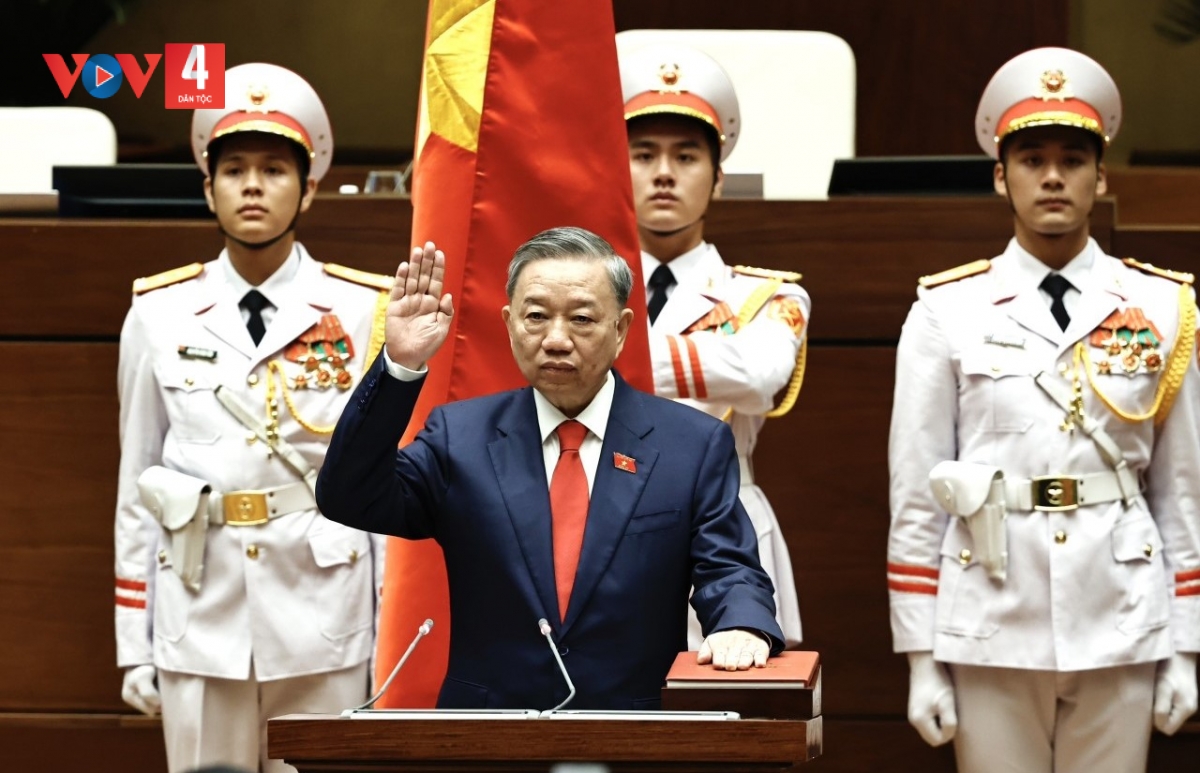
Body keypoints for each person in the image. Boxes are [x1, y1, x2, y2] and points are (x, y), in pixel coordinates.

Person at [887, 47, 1200, 773]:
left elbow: (1182, 489)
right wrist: (920, 657)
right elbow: (917, 493)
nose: (1053, 176)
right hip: (991, 610)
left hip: (1121, 609)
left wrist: (1186, 647)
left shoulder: (1162, 306)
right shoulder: (946, 310)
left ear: (1101, 176)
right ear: (1001, 176)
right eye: (1032, 159)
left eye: (1073, 159)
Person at [316, 227, 785, 710]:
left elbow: (729, 567)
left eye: (581, 319)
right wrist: (400, 365)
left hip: (633, 726)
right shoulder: (461, 437)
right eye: (536, 317)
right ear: (509, 323)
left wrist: (741, 625)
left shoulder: (690, 444)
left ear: (621, 329)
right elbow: (350, 496)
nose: (556, 340)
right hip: (488, 729)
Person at [113, 63, 390, 773]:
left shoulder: (363, 310)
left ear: (309, 187)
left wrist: (392, 633)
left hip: (325, 609)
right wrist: (134, 641)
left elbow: (383, 484)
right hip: (199, 612)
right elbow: (138, 484)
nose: (253, 186)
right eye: (234, 170)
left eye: (273, 169)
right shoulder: (158, 313)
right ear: (208, 188)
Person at [619, 43, 808, 649]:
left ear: (719, 178)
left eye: (686, 156)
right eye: (643, 155)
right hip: (602, 517)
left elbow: (759, 377)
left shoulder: (767, 294)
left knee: (731, 690)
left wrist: (600, 354)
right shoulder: (578, 286)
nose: (664, 173)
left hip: (727, 526)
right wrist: (710, 364)